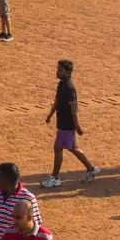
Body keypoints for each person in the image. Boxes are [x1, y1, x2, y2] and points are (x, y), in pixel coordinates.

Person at [41, 58, 96, 186]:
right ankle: (91, 169)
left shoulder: (69, 88)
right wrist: (50, 114)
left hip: (67, 124)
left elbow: (74, 107)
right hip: (62, 122)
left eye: (60, 70)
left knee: (58, 148)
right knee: (73, 148)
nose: (57, 72)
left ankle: (55, 178)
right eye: (57, 69)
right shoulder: (61, 85)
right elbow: (57, 102)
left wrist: (77, 125)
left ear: (68, 72)